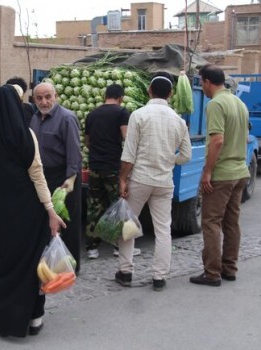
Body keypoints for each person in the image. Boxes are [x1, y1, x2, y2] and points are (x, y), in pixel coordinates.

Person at [0, 84, 66, 337]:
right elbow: (38, 176)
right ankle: (34, 319)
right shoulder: (25, 135)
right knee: (31, 265)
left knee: (0, 266)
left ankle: (4, 322)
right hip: (28, 216)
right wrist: (51, 211)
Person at [118, 72, 192, 291]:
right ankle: (159, 277)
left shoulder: (139, 115)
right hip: (164, 181)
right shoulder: (179, 121)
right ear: (170, 94)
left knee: (128, 225)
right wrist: (171, 159)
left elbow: (129, 153)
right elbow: (186, 156)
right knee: (163, 230)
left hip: (140, 179)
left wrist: (123, 179)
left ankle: (125, 272)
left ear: (149, 91)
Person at [190, 64, 250, 287]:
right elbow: (244, 137)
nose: (202, 87)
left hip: (223, 173)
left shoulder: (215, 104)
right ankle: (229, 268)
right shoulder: (239, 103)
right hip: (240, 171)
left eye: (201, 82)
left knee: (211, 221)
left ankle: (212, 272)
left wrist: (207, 171)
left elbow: (217, 140)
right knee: (231, 223)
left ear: (207, 82)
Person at [29, 82, 83, 272]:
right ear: (34, 99)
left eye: (47, 97)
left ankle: (70, 266)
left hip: (64, 178)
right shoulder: (34, 119)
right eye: (39, 98)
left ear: (56, 96)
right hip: (43, 177)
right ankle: (50, 263)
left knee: (67, 223)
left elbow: (74, 151)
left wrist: (71, 179)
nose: (44, 102)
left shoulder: (67, 118)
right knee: (45, 222)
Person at [84, 83, 141, 259]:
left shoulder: (92, 114)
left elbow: (87, 141)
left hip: (94, 166)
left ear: (105, 96)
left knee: (95, 205)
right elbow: (126, 137)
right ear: (121, 98)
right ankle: (119, 246)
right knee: (117, 205)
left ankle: (92, 248)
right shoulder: (122, 113)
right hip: (112, 167)